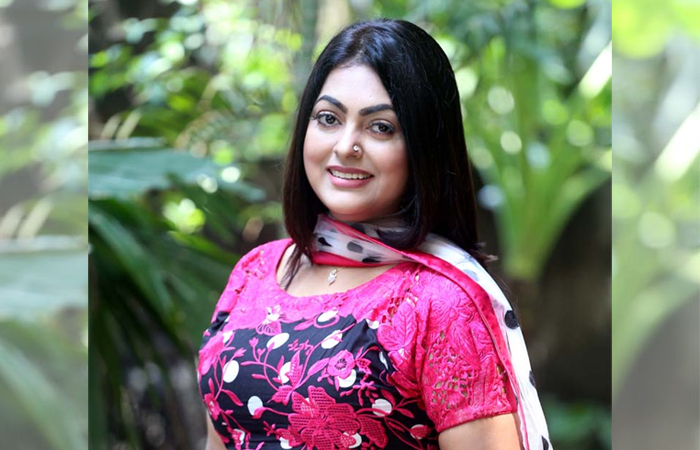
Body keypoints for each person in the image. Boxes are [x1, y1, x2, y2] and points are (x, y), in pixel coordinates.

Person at [198, 18, 551, 450]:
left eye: (381, 126)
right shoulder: (255, 271)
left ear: (423, 148)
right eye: (328, 118)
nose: (346, 146)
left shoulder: (440, 304)